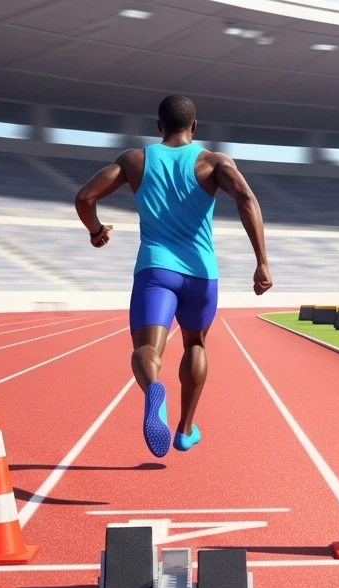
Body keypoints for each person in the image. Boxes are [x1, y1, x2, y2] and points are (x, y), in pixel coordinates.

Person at [74, 94, 272, 458]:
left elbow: (85, 197)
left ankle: (152, 388)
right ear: (194, 127)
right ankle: (184, 429)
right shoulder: (213, 163)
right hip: (201, 274)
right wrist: (261, 261)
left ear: (158, 126)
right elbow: (246, 197)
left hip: (155, 269)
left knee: (146, 350)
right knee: (196, 345)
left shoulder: (135, 160)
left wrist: (96, 230)